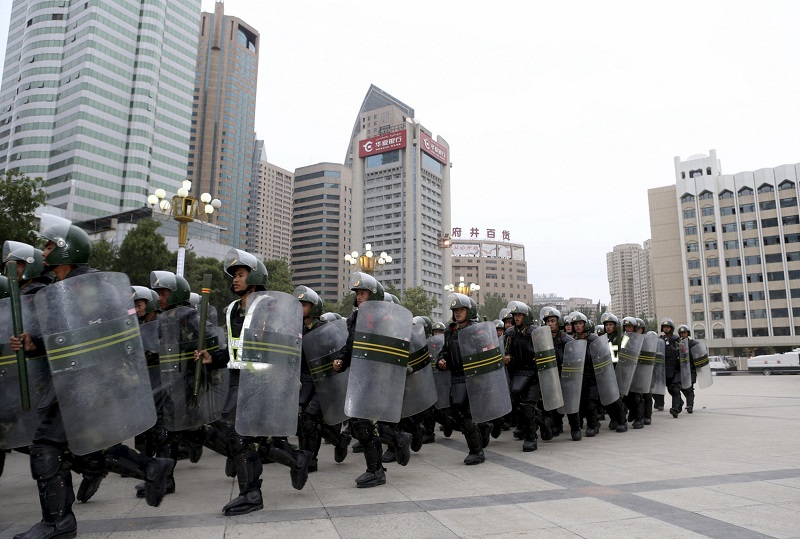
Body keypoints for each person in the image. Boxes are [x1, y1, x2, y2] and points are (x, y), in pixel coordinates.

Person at [11, 219, 172, 539]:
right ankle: (152, 468)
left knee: (45, 446)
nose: (43, 252)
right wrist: (34, 345)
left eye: (49, 246)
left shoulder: (91, 286)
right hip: (72, 381)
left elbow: (103, 335)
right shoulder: (58, 289)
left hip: (90, 383)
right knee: (79, 450)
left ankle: (58, 522)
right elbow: (61, 341)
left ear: (66, 251)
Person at [332, 272, 411, 487]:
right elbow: (350, 346)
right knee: (361, 424)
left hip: (379, 377)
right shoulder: (356, 318)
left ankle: (376, 470)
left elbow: (397, 347)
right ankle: (397, 440)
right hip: (361, 376)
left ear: (373, 295)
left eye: (363, 292)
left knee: (363, 423)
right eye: (357, 293)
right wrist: (341, 359)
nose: (359, 296)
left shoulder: (387, 318)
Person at [295, 285, 352, 471]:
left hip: (324, 382)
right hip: (304, 381)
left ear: (314, 307)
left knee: (310, 418)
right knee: (304, 421)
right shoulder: (296, 329)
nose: (300, 308)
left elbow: (336, 353)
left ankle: (310, 459)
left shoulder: (324, 329)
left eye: (304, 305)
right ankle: (340, 440)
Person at [436, 294, 492, 464]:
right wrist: (441, 360)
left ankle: (476, 452)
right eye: (455, 310)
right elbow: (444, 351)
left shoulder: (478, 330)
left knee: (465, 414)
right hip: (457, 377)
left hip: (474, 376)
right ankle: (482, 427)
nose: (457, 313)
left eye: (461, 310)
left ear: (469, 311)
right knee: (458, 413)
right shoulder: (450, 331)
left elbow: (488, 351)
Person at [504, 302, 541, 452]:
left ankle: (531, 438)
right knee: (519, 407)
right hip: (517, 376)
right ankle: (542, 421)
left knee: (528, 407)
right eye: (515, 315)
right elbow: (507, 351)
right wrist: (507, 358)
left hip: (533, 375)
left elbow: (544, 353)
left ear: (526, 316)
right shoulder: (510, 334)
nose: (516, 318)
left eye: (519, 315)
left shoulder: (536, 332)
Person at [571, 312, 600, 437]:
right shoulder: (572, 340)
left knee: (590, 402)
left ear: (585, 324)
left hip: (592, 375)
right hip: (578, 375)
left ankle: (592, 425)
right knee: (580, 402)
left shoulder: (594, 340)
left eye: (580, 323)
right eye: (575, 324)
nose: (577, 326)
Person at [600, 312, 628, 433]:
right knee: (607, 399)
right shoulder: (602, 339)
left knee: (617, 399)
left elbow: (627, 355)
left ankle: (622, 421)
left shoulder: (623, 338)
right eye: (606, 325)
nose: (608, 327)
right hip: (606, 370)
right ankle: (614, 419)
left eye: (611, 324)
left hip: (618, 370)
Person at [660, 318, 683, 418]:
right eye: (664, 327)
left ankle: (675, 409)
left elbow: (684, 351)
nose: (666, 329)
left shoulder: (677, 339)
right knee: (670, 388)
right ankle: (680, 403)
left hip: (677, 368)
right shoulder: (660, 340)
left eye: (668, 327)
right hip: (665, 368)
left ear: (671, 328)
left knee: (675, 388)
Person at [676, 324, 697, 414]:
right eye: (681, 333)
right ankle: (685, 400)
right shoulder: (677, 344)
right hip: (681, 369)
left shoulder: (693, 344)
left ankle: (690, 405)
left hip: (691, 369)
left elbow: (697, 355)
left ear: (688, 333)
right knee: (680, 387)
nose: (683, 334)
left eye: (684, 333)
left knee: (689, 388)